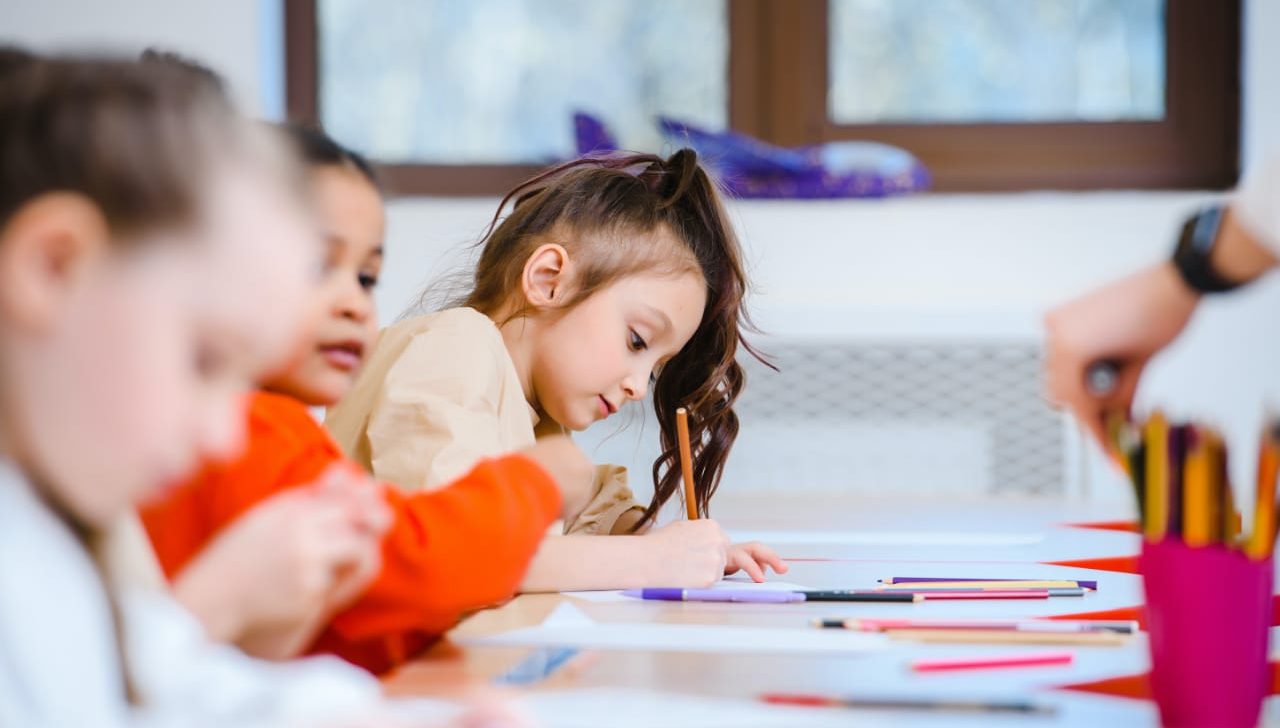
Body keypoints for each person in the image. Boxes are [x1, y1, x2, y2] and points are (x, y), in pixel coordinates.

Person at [327, 151, 786, 592]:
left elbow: (578, 516)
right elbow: (460, 551)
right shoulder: (454, 348)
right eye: (637, 341)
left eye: (653, 370)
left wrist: (684, 549)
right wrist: (652, 559)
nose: (637, 387)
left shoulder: (536, 415)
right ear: (549, 280)